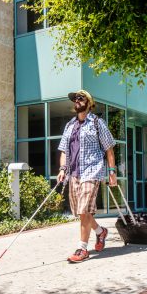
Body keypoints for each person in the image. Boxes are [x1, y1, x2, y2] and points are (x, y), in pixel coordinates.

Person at [56, 89, 117, 263]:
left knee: (83, 210)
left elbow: (109, 149)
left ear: (89, 103)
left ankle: (82, 249)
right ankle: (100, 232)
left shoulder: (97, 123)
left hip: (92, 171)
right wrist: (62, 169)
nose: (77, 100)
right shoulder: (69, 125)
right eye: (75, 99)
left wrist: (112, 172)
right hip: (73, 174)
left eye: (81, 98)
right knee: (81, 212)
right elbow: (63, 151)